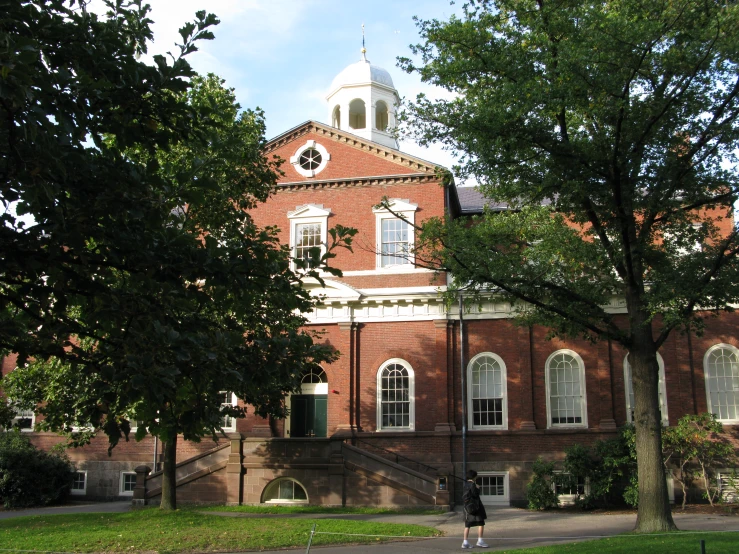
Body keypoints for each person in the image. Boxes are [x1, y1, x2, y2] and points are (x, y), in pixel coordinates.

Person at [462, 469, 488, 549]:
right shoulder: (473, 484)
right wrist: (477, 488)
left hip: (467, 508)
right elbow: (475, 495)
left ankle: (465, 542)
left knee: (467, 525)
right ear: (474, 477)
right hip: (475, 507)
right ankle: (480, 540)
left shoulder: (465, 485)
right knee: (481, 523)